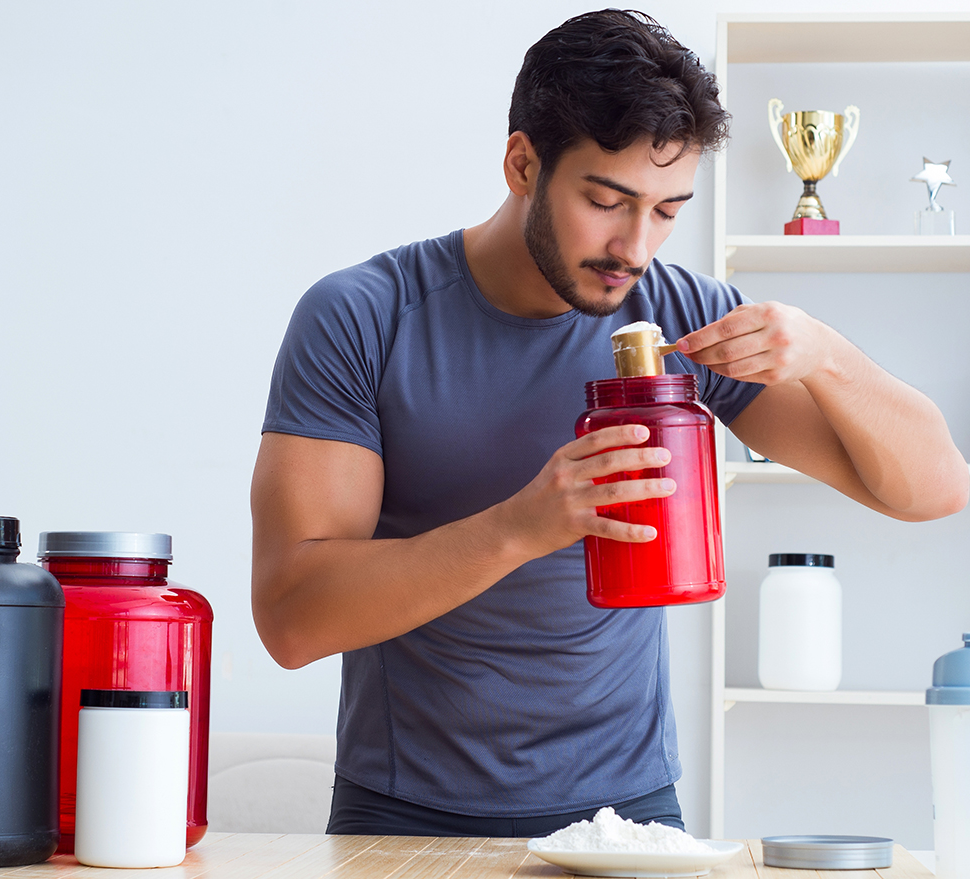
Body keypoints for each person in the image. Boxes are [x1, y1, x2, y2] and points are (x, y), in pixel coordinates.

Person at [250, 9, 968, 837]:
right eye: (606, 200)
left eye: (667, 210)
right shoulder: (363, 318)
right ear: (523, 163)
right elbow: (292, 617)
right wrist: (524, 524)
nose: (635, 246)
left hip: (627, 814)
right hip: (403, 811)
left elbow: (936, 488)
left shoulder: (680, 318)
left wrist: (828, 354)